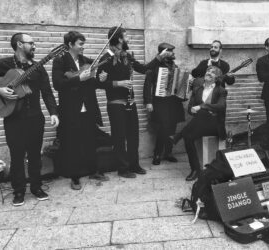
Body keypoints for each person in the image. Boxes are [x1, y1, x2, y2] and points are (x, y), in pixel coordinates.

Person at [0, 33, 59, 206]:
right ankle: (19, 191)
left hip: (36, 117)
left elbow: (47, 92)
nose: (34, 46)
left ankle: (36, 187)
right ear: (20, 44)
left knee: (35, 155)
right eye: (31, 43)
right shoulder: (3, 64)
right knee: (17, 155)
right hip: (13, 118)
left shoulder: (39, 68)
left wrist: (53, 112)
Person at [97, 26, 170, 178]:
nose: (129, 38)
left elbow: (144, 69)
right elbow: (99, 83)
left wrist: (159, 57)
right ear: (119, 39)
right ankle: (123, 169)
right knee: (119, 137)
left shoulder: (127, 56)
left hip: (130, 103)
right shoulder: (106, 58)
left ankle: (134, 165)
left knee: (133, 136)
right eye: (126, 36)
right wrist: (119, 83)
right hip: (116, 103)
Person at [52, 31, 109, 190]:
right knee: (73, 144)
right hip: (70, 110)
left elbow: (94, 83)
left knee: (91, 140)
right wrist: (78, 78)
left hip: (88, 108)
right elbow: (57, 84)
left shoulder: (87, 61)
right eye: (80, 44)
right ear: (70, 45)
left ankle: (93, 170)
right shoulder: (60, 61)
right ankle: (75, 176)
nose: (83, 47)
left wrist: (101, 80)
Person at [179, 66, 227, 181]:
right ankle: (195, 169)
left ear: (217, 78)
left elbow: (221, 106)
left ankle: (178, 136)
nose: (209, 73)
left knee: (202, 113)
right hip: (199, 124)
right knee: (188, 137)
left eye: (213, 72)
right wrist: (193, 110)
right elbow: (190, 108)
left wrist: (202, 107)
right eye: (208, 71)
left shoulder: (221, 90)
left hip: (214, 126)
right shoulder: (198, 90)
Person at [143, 42, 185, 165]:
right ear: (164, 52)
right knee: (162, 129)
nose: (173, 54)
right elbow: (147, 85)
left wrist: (183, 89)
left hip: (173, 102)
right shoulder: (154, 66)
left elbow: (179, 83)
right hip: (160, 103)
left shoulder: (174, 66)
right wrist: (148, 102)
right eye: (171, 51)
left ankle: (168, 153)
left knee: (172, 128)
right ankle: (157, 154)